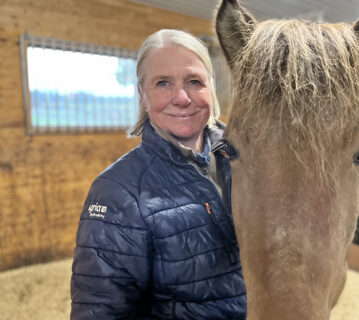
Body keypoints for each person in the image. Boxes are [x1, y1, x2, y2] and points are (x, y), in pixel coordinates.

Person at [70, 29, 246, 319]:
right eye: (163, 83)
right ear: (142, 94)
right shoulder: (117, 192)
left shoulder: (249, 159)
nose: (181, 98)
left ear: (210, 87)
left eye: (194, 81)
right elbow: (100, 310)